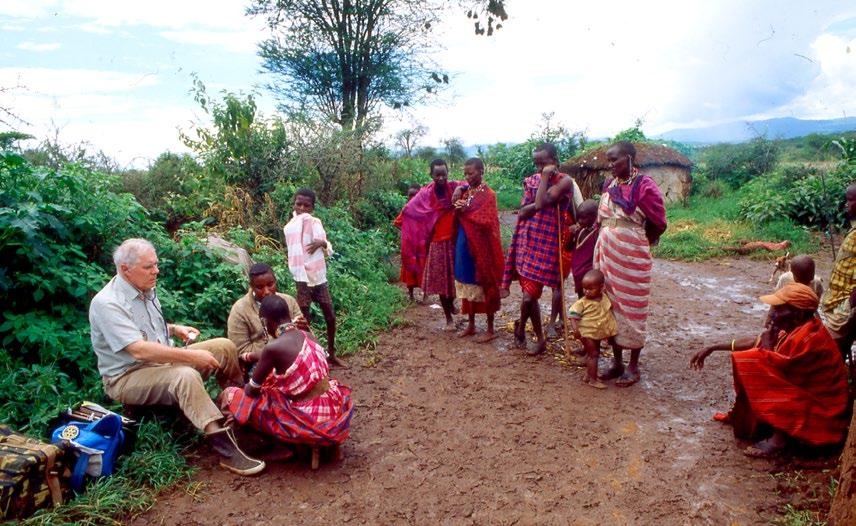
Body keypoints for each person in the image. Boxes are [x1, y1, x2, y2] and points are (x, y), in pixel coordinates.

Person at [89, 238, 265, 476]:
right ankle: (224, 448)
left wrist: (173, 329)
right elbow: (138, 349)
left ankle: (240, 410)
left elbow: (142, 326)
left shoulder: (145, 288)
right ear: (125, 269)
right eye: (149, 267)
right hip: (127, 376)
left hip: (161, 362)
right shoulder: (107, 303)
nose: (156, 271)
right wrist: (191, 357)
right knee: (186, 375)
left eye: (156, 264)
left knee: (224, 346)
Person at [689, 283, 850, 458]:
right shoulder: (796, 328)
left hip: (825, 411)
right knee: (756, 359)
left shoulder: (808, 338)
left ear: (798, 313)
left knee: (754, 363)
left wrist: (766, 347)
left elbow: (774, 370)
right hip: (808, 399)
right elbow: (755, 342)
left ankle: (779, 441)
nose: (772, 314)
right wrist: (713, 347)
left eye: (779, 309)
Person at [224, 295, 354, 447]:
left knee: (232, 394)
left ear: (265, 322)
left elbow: (251, 391)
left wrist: (247, 383)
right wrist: (254, 357)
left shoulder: (273, 348)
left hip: (310, 418)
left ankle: (266, 444)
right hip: (332, 408)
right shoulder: (309, 335)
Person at [594, 141, 667, 387]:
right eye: (609, 160)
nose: (611, 164)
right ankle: (617, 362)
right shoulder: (609, 186)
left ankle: (633, 367)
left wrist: (642, 240)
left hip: (631, 255)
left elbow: (658, 220)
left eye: (615, 159)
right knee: (609, 306)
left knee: (633, 307)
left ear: (629, 157)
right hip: (606, 251)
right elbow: (600, 219)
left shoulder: (645, 186)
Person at [502, 142, 579, 355]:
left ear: (554, 160)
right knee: (529, 296)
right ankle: (540, 337)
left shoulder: (565, 182)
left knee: (532, 296)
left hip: (549, 244)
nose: (538, 167)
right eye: (536, 162)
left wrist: (545, 177)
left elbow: (540, 203)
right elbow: (523, 209)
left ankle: (521, 330)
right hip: (530, 241)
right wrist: (526, 209)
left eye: (543, 162)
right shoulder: (531, 181)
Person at [283, 188, 345, 368]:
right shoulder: (290, 227)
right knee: (304, 322)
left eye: (306, 205)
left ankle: (331, 354)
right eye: (298, 204)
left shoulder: (315, 222)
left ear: (312, 207)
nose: (302, 208)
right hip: (302, 279)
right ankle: (310, 361)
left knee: (330, 316)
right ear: (294, 204)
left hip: (318, 277)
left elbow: (327, 246)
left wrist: (323, 243)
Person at [400, 159, 464, 330]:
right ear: (431, 175)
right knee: (442, 282)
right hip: (437, 243)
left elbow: (470, 184)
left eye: (444, 174)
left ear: (448, 173)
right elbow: (409, 210)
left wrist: (460, 188)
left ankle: (451, 304)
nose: (441, 177)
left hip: (455, 240)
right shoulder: (425, 193)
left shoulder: (454, 186)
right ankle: (449, 319)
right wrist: (414, 228)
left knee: (456, 279)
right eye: (437, 175)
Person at [451, 158, 505, 343]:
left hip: (483, 247)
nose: (468, 177)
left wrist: (467, 210)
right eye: (465, 174)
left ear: (482, 171)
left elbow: (488, 220)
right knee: (468, 283)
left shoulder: (489, 194)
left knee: (485, 283)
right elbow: (460, 215)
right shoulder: (466, 192)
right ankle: (471, 324)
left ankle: (490, 329)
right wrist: (459, 207)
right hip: (465, 243)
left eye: (471, 173)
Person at [227, 263, 308, 363]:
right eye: (260, 287)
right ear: (251, 286)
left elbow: (305, 337)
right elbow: (240, 350)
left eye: (270, 284)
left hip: (295, 356)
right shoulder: (240, 310)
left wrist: (304, 328)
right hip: (260, 362)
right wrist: (276, 350)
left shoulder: (289, 301)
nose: (266, 291)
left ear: (275, 281)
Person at [820, 183, 856, 359]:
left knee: (827, 350)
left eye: (848, 201)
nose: (846, 206)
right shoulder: (853, 230)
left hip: (846, 306)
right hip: (839, 303)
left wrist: (847, 309)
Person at [568, 270, 617, 389]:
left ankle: (589, 375)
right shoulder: (582, 303)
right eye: (584, 288)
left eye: (590, 289)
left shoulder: (603, 297)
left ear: (601, 287)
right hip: (587, 333)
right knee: (593, 354)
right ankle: (593, 380)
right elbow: (573, 316)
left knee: (595, 353)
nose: (586, 291)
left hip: (597, 333)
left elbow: (608, 310)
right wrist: (575, 330)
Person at [393, 183, 424, 301]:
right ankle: (410, 294)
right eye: (410, 195)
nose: (412, 198)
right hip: (409, 245)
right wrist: (406, 231)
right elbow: (397, 222)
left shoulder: (424, 208)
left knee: (423, 267)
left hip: (421, 245)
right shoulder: (406, 209)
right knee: (410, 269)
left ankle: (425, 294)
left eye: (415, 195)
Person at [566, 200, 600, 299]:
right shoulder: (579, 231)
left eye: (583, 218)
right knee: (581, 299)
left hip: (589, 277)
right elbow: (567, 248)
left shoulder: (596, 234)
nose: (580, 221)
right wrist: (571, 234)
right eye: (578, 217)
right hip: (578, 275)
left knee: (589, 301)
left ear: (594, 217)